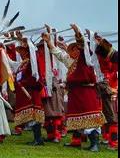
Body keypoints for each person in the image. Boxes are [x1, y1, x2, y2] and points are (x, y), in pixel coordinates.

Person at [43, 24, 106, 152]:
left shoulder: (85, 60)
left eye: (76, 49)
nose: (73, 51)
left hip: (86, 94)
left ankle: (94, 144)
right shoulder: (71, 62)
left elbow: (82, 45)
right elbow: (59, 54)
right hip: (75, 95)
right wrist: (49, 42)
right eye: (72, 50)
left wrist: (78, 32)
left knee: (90, 120)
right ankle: (76, 142)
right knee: (76, 119)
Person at [12, 34, 45, 146]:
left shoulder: (31, 63)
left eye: (21, 50)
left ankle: (38, 139)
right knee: (31, 117)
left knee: (33, 116)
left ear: (26, 51)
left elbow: (34, 78)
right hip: (24, 93)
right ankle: (37, 138)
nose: (20, 53)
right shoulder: (23, 63)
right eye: (19, 50)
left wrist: (23, 83)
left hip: (31, 93)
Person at [93, 33, 118, 150]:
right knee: (107, 115)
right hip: (106, 87)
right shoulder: (108, 55)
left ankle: (114, 142)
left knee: (112, 117)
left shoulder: (112, 58)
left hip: (111, 89)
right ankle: (108, 138)